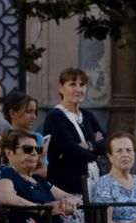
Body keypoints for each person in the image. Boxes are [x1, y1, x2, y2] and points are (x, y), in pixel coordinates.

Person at [42, 67, 107, 197]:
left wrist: (90, 145)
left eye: (82, 85)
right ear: (61, 88)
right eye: (72, 84)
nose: (78, 90)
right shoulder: (55, 117)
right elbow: (70, 149)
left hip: (93, 181)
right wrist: (95, 151)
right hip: (68, 186)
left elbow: (108, 144)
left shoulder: (87, 115)